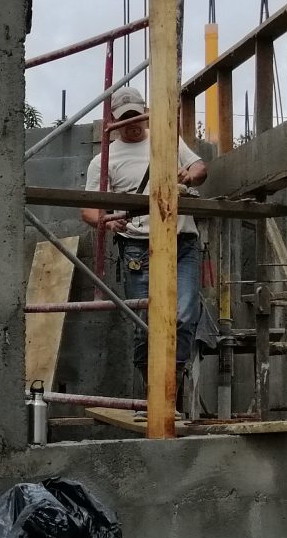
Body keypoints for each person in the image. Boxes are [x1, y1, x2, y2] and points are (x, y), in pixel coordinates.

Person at [82, 83, 209, 388]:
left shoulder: (167, 140)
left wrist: (189, 176)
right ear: (114, 121)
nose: (134, 124)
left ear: (146, 113)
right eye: (126, 119)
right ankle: (151, 391)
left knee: (183, 314)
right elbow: (88, 210)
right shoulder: (104, 159)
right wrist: (107, 222)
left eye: (137, 116)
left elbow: (200, 168)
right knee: (145, 323)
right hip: (137, 248)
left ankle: (171, 387)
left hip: (181, 243)